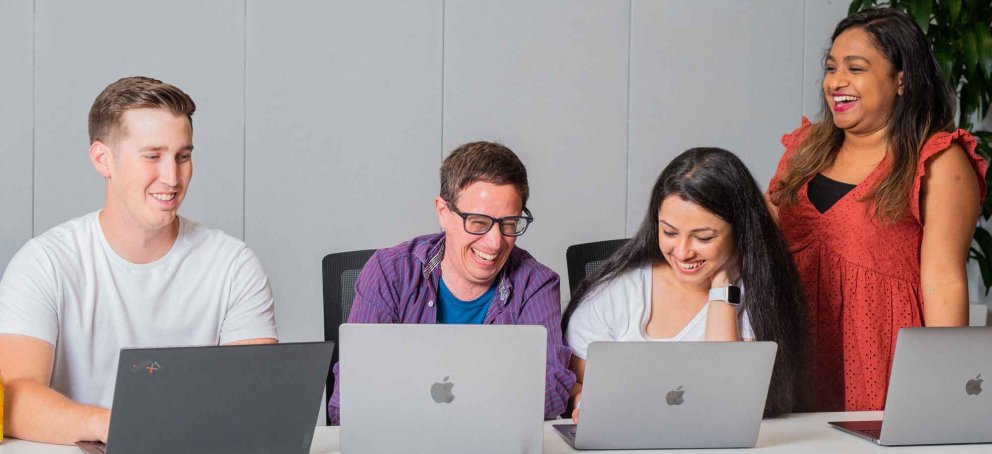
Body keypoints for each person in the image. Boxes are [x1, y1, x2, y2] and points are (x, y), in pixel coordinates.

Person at [0, 77, 278, 445]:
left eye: (183, 156)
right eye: (152, 156)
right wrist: (120, 427)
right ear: (103, 159)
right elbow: (14, 397)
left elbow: (259, 398)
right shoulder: (45, 262)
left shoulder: (233, 264)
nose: (172, 177)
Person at [767, 8, 987, 411]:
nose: (836, 81)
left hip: (881, 363)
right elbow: (758, 244)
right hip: (794, 358)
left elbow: (943, 283)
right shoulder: (803, 150)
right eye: (831, 67)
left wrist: (947, 396)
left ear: (901, 80)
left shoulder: (937, 159)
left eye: (856, 68)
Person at [326, 141, 574, 424]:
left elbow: (553, 389)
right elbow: (348, 399)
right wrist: (491, 398)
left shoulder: (536, 283)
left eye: (509, 223)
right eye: (479, 222)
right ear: (443, 212)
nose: (494, 243)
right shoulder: (389, 272)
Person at [563, 147, 809, 421]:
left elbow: (728, 401)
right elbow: (578, 382)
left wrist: (722, 287)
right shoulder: (614, 293)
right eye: (669, 232)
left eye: (703, 237)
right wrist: (580, 397)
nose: (682, 252)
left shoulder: (760, 294)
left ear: (740, 231)